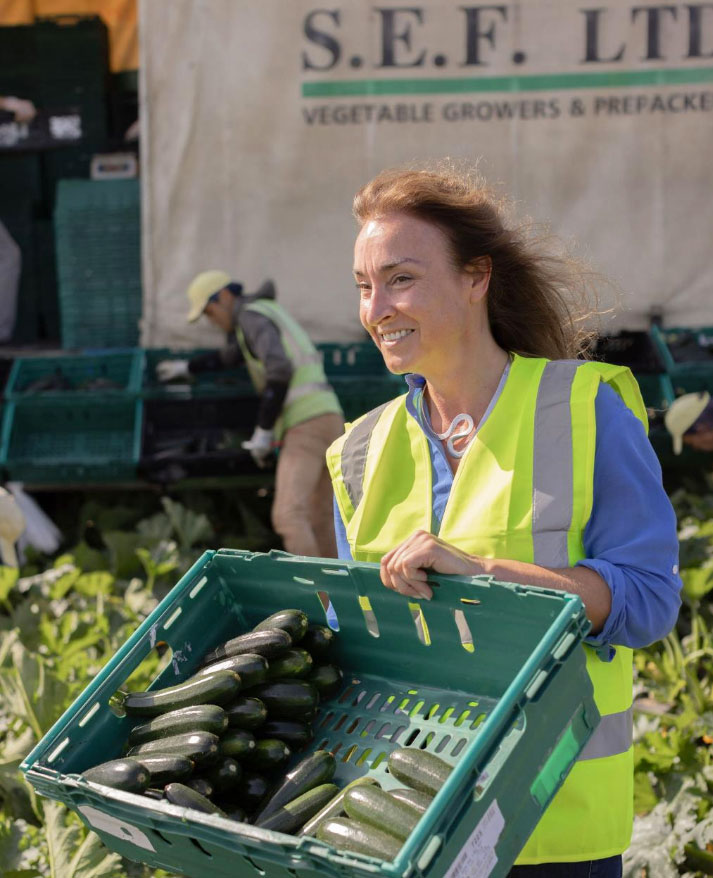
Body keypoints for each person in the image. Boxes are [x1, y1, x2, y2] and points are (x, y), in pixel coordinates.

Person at [326, 166, 682, 876]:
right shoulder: (357, 451)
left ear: (476, 277)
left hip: (554, 832)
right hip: (408, 830)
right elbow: (355, 640)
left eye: (400, 279)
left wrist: (486, 574)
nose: (377, 309)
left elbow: (648, 599)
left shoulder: (584, 409)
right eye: (364, 286)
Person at [157, 272, 344, 558]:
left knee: (288, 517)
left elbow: (279, 370)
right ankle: (339, 585)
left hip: (305, 422)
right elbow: (231, 356)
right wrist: (187, 368)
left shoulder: (250, 318)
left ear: (224, 296)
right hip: (329, 415)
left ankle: (317, 587)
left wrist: (264, 429)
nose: (211, 321)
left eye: (209, 311)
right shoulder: (265, 312)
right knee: (320, 517)